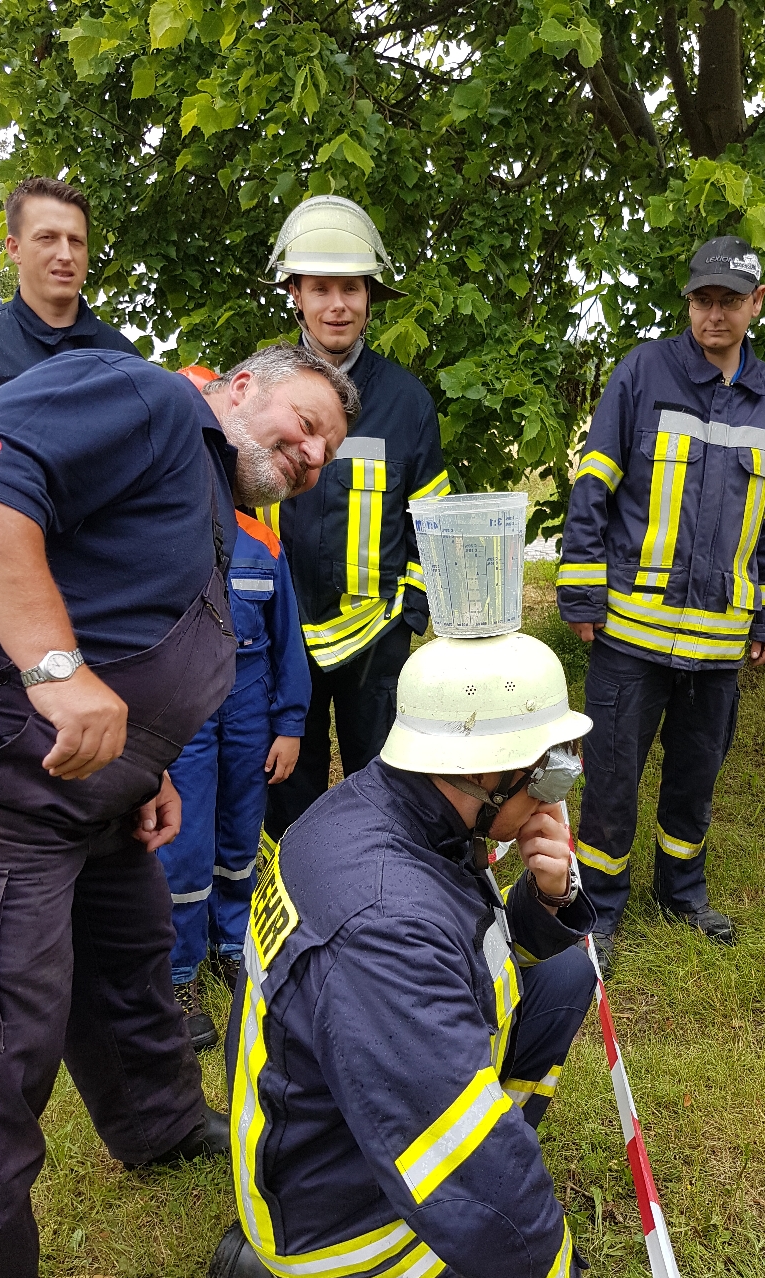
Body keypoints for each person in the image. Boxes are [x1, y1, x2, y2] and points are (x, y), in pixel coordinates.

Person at [0, 341, 357, 1278]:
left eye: (329, 451)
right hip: (9, 791)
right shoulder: (140, 396)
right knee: (3, 1044)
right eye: (309, 423)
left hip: (95, 800)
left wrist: (143, 772)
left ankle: (156, 1125)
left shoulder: (204, 492)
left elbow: (127, 609)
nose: (314, 457)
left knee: (132, 967)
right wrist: (54, 669)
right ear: (242, 387)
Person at [192, 632, 608, 1278]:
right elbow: (457, 1144)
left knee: (567, 972)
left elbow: (465, 958)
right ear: (486, 772)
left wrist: (545, 898)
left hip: (350, 1123)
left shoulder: (395, 809)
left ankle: (466, 1221)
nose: (560, 785)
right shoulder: (381, 921)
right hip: (346, 1229)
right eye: (549, 773)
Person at [557, 235, 765, 974]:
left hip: (720, 645)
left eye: (730, 301)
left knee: (696, 775)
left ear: (757, 304)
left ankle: (682, 892)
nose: (714, 315)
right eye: (704, 300)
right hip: (632, 634)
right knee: (612, 776)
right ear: (689, 302)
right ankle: (598, 905)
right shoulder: (643, 373)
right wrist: (580, 587)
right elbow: (594, 486)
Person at [258, 195, 451, 848]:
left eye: (350, 288)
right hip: (283, 629)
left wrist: (412, 612)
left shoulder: (407, 401)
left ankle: (379, 894)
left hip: (377, 637)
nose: (336, 304)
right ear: (295, 294)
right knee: (285, 779)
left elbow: (431, 516)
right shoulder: (264, 387)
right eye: (321, 288)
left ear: (371, 295)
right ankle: (295, 890)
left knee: (386, 782)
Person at [159, 368, 313, 1051]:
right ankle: (178, 971)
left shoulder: (265, 543)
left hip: (249, 715)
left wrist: (290, 725)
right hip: (187, 721)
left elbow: (288, 650)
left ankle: (230, 945)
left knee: (238, 838)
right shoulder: (168, 534)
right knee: (183, 850)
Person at [0, 177, 138, 390]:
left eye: (76, 241)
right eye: (47, 238)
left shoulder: (123, 358)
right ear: (14, 248)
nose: (66, 255)